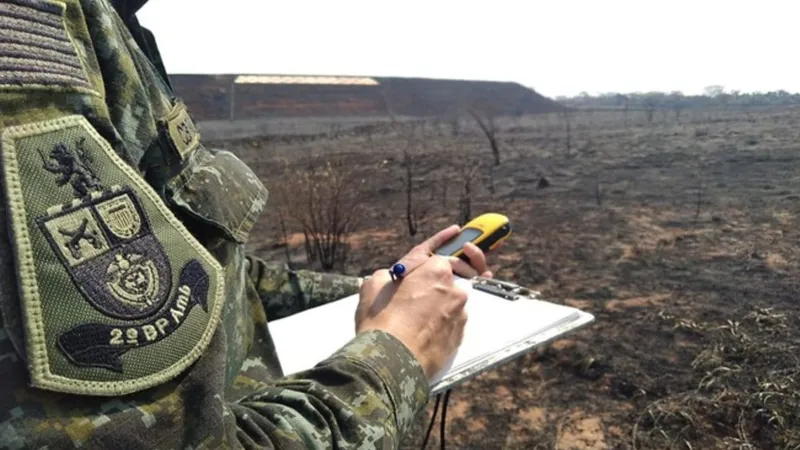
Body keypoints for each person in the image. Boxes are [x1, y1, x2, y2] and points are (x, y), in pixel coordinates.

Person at [0, 1, 494, 448]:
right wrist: (395, 354)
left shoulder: (112, 23)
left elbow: (214, 277)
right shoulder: (31, 44)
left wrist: (387, 291)